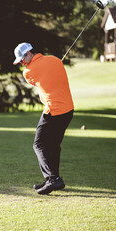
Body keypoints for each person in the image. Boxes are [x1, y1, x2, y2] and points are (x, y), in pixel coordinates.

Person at [13, 42, 74, 195]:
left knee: (39, 144)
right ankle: (54, 179)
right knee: (53, 145)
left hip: (54, 110)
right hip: (68, 110)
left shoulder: (28, 72)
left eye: (22, 59)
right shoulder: (55, 60)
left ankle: (53, 179)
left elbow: (34, 80)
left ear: (29, 54)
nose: (21, 63)